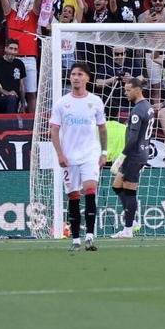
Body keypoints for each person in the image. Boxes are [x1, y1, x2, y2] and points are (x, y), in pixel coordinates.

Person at [50, 62, 107, 252]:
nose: (75, 77)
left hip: (90, 154)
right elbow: (54, 130)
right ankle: (75, 239)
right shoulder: (62, 103)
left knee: (90, 191)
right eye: (73, 74)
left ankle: (90, 237)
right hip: (69, 156)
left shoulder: (96, 101)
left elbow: (102, 129)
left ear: (87, 78)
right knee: (73, 196)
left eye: (80, 74)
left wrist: (104, 152)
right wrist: (59, 153)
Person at [109, 76, 152, 239]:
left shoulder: (137, 110)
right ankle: (131, 222)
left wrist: (122, 156)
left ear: (137, 90)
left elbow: (133, 138)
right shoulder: (147, 107)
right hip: (140, 152)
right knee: (117, 185)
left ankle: (128, 230)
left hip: (134, 155)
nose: (125, 93)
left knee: (129, 191)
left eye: (128, 90)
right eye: (125, 90)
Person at [0, 39, 28, 113]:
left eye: (15, 49)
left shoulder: (20, 64)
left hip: (15, 99)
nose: (13, 52)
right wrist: (7, 93)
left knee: (13, 99)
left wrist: (23, 105)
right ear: (5, 49)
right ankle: (11, 124)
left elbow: (21, 86)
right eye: (11, 48)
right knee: (11, 99)